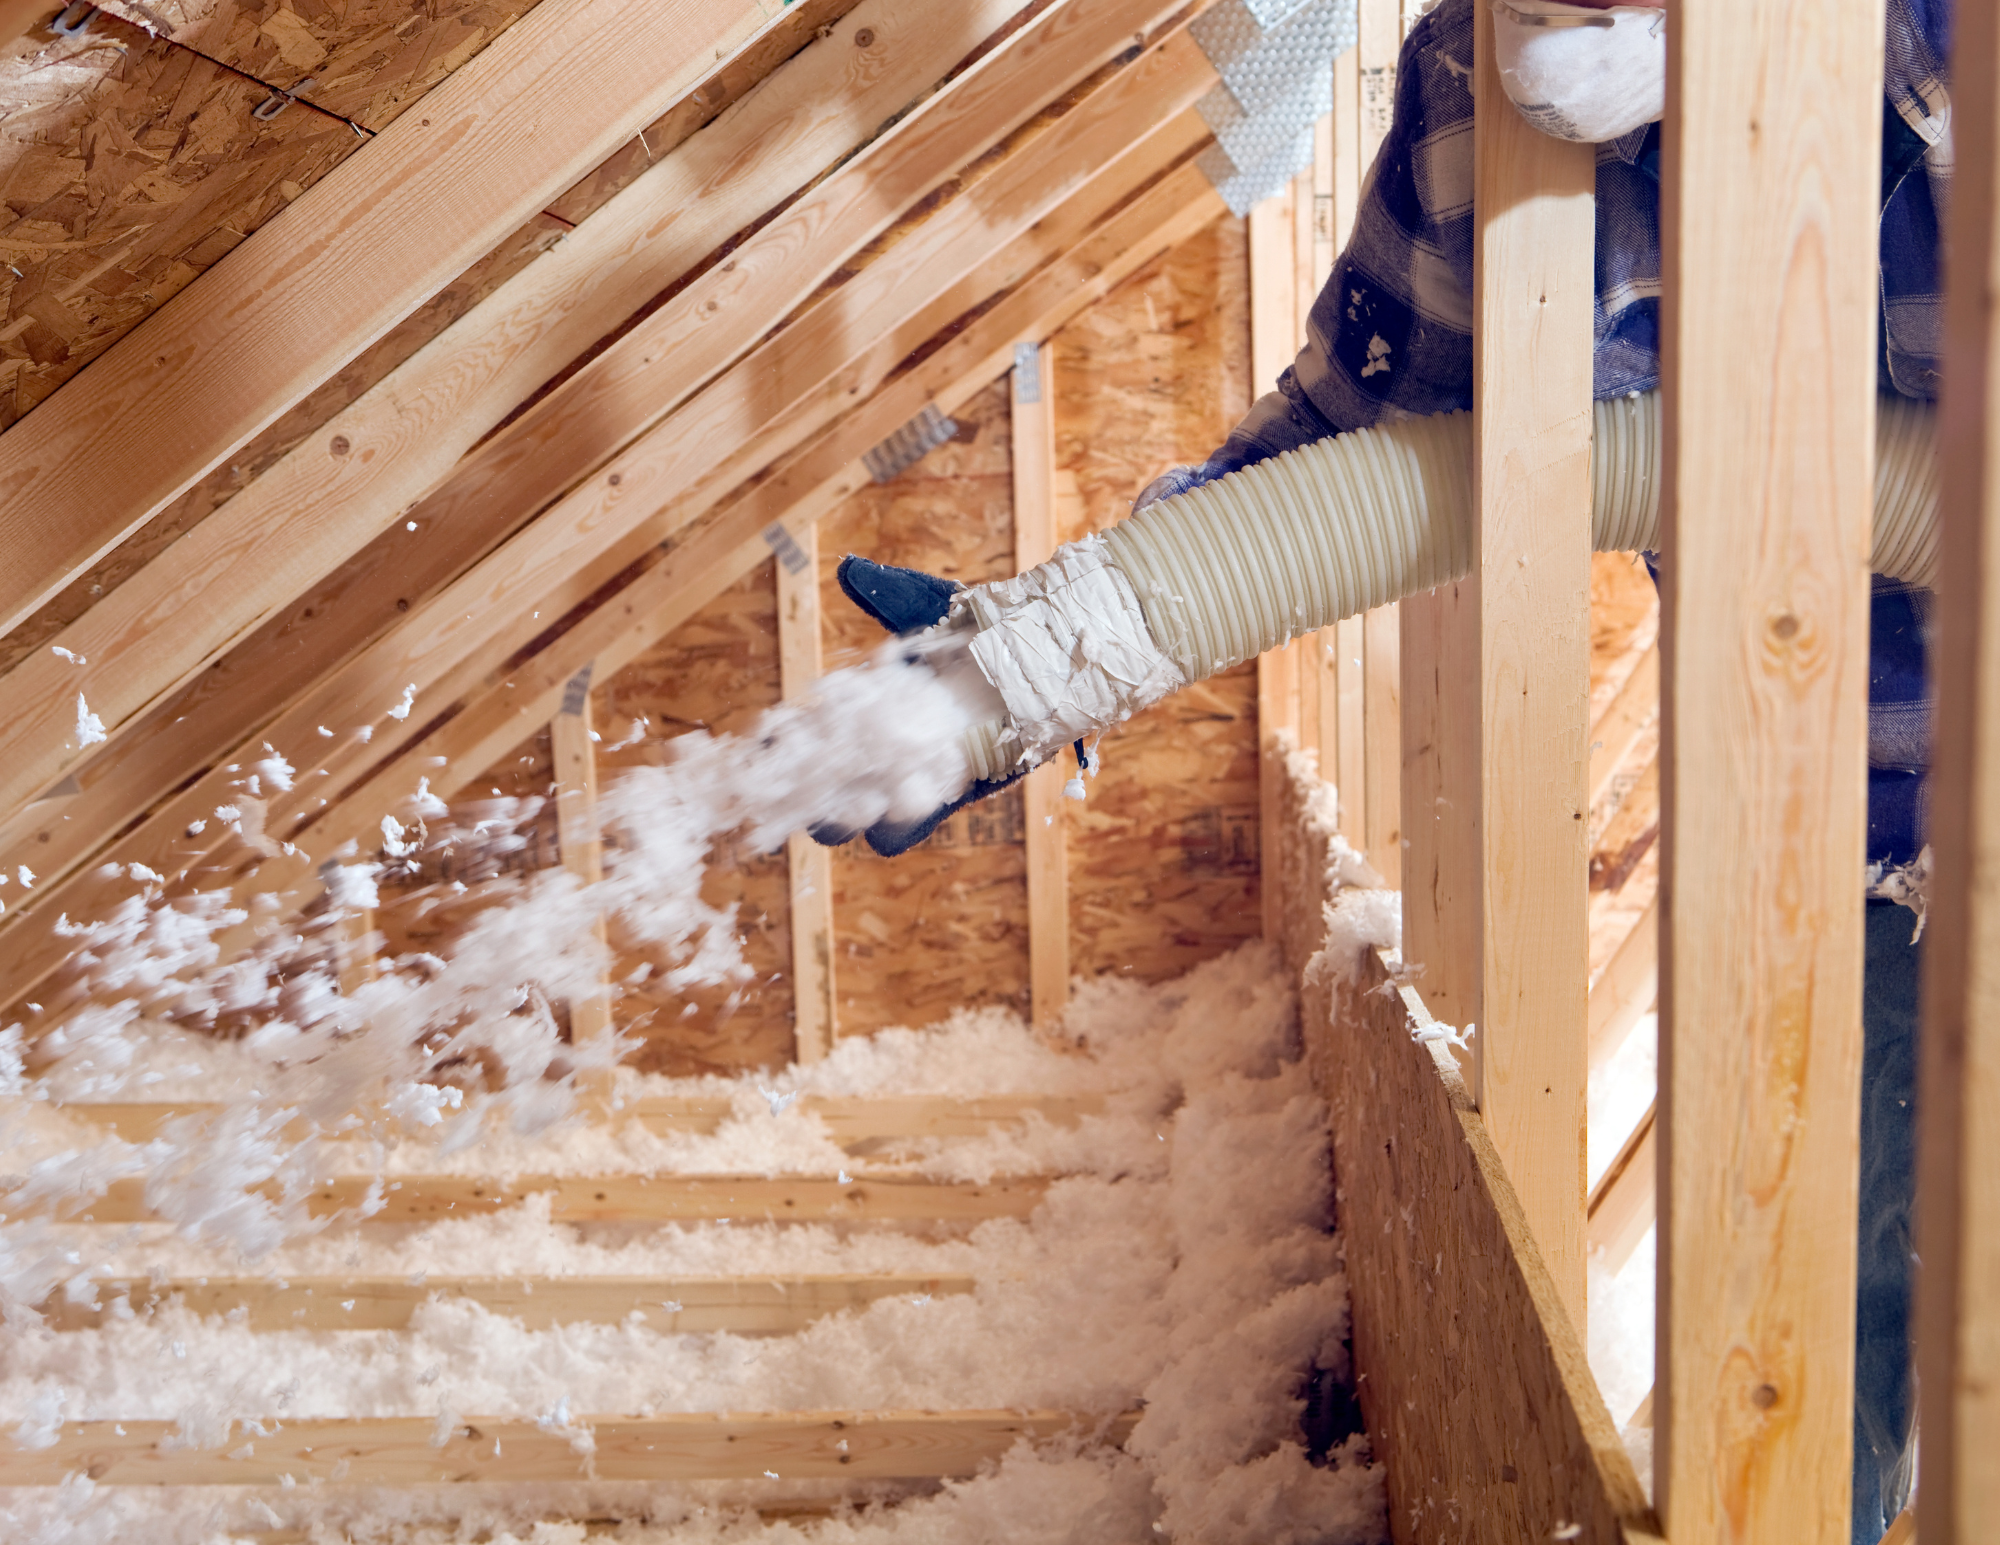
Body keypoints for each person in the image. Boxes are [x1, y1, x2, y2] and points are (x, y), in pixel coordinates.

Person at [821, 3, 1948, 1535]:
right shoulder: (1473, 80)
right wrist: (1020, 670)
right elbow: (1370, 442)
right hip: (1853, 831)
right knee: (1825, 1381)